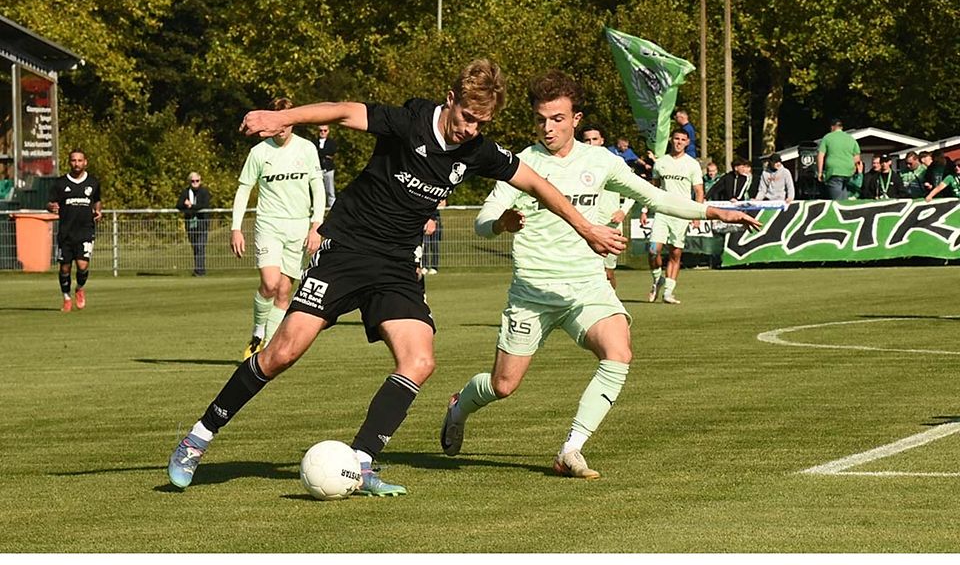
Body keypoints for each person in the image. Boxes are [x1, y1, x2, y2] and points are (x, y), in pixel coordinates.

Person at [167, 59, 627, 496]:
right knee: (282, 353)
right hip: (346, 249)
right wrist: (278, 115)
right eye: (466, 117)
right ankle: (198, 437)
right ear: (450, 99)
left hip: (396, 266)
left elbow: (538, 184)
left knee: (419, 361)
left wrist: (587, 228)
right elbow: (344, 111)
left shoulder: (477, 150)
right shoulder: (409, 121)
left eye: (481, 124)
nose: (471, 129)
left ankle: (363, 461)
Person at [438, 70, 760, 479]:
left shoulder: (600, 161)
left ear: (576, 119)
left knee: (618, 352)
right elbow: (483, 220)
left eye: (557, 118)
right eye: (541, 119)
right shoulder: (520, 165)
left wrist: (713, 211)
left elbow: (656, 197)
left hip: (587, 288)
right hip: (533, 293)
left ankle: (571, 450)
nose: (548, 127)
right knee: (503, 387)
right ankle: (459, 405)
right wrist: (502, 223)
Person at [232, 97, 325, 360]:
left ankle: (267, 350)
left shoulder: (307, 149)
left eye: (288, 120)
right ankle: (258, 332)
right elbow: (243, 190)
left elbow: (317, 188)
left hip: (298, 228)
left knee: (285, 291)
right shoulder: (259, 152)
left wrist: (316, 224)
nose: (282, 127)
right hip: (269, 225)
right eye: (278, 120)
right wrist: (236, 228)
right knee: (270, 284)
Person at [644, 129, 704, 304]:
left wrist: (697, 215)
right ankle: (657, 279)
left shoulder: (692, 164)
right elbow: (652, 189)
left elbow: (699, 191)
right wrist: (645, 210)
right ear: (671, 140)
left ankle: (668, 292)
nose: (678, 142)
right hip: (662, 211)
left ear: (687, 143)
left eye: (682, 140)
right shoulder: (660, 163)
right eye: (676, 138)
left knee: (675, 253)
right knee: (653, 250)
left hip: (682, 213)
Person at [46, 149, 102, 312]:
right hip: (66, 232)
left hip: (85, 230)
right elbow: (50, 204)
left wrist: (98, 211)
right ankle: (66, 298)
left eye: (79, 160)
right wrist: (51, 207)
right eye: (73, 160)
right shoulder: (60, 183)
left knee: (83, 265)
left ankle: (79, 288)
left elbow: (97, 200)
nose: (76, 163)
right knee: (65, 268)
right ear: (69, 162)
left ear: (85, 162)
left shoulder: (93, 182)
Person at [581, 124, 635, 289]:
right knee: (585, 273)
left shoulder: (614, 163)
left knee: (607, 273)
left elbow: (636, 189)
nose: (591, 143)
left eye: (594, 139)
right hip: (586, 227)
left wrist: (623, 211)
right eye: (587, 140)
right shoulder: (576, 165)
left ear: (602, 141)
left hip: (611, 226)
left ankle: (611, 309)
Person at [176, 171, 212, 277]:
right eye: (192, 181)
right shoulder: (185, 192)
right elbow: (178, 205)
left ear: (200, 181)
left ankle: (200, 271)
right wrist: (186, 205)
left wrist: (191, 206)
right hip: (190, 224)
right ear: (189, 182)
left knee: (201, 246)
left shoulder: (204, 192)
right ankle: (198, 268)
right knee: (195, 246)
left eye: (197, 181)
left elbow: (204, 205)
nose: (195, 183)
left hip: (202, 223)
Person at [816, 118, 861, 200]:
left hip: (834, 171)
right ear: (841, 127)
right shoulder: (850, 138)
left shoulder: (827, 137)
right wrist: (851, 167)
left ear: (832, 127)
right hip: (848, 172)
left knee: (836, 201)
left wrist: (819, 172)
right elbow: (857, 158)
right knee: (843, 197)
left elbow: (820, 155)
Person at [315, 124, 337, 207]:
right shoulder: (314, 142)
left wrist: (321, 152)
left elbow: (332, 152)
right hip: (318, 169)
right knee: (318, 189)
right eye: (321, 130)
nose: (323, 132)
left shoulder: (332, 142)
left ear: (328, 131)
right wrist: (324, 154)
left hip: (329, 169)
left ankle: (332, 206)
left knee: (330, 190)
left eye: (325, 130)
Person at [421, 199, 444, 275]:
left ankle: (434, 267)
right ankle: (425, 266)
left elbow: (443, 204)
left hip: (436, 221)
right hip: (424, 221)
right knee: (425, 245)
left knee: (434, 246)